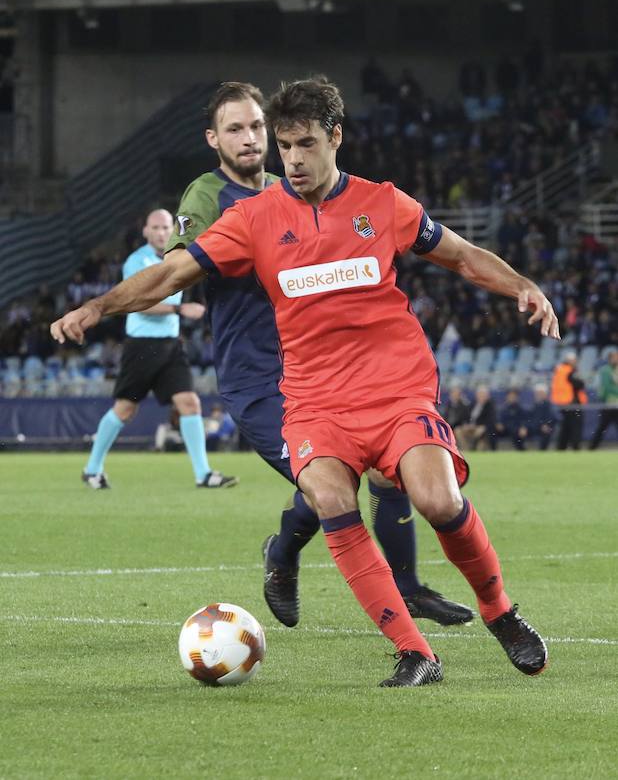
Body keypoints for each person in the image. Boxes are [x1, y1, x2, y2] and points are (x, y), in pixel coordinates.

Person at [51, 77, 560, 688]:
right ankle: (414, 652)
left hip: (396, 389)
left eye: (304, 143)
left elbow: (460, 254)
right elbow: (172, 273)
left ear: (335, 138)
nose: (291, 158)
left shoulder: (384, 203)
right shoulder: (253, 217)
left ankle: (499, 611)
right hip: (315, 399)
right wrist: (96, 308)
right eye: (285, 145)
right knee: (331, 499)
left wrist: (523, 286)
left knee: (437, 500)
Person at [163, 81, 472, 629]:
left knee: (384, 468)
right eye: (236, 129)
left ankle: (407, 586)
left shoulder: (296, 187)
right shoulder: (208, 198)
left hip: (321, 369)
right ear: (213, 139)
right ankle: (281, 556)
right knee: (327, 485)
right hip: (257, 375)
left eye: (258, 127)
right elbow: (176, 270)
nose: (252, 138)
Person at [80, 209, 237, 490]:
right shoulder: (136, 261)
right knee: (125, 410)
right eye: (156, 227)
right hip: (141, 345)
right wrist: (180, 308)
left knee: (190, 403)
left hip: (170, 345)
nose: (162, 232)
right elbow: (138, 302)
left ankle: (203, 474)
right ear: (145, 231)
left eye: (166, 227)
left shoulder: (176, 258)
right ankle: (92, 468)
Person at [551, 350, 587, 450]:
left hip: (563, 403)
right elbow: (579, 384)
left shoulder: (560, 369)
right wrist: (582, 381)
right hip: (572, 403)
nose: (576, 362)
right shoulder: (569, 370)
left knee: (565, 428)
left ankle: (561, 448)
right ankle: (575, 447)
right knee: (575, 428)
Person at [588, 349, 618, 449]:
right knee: (602, 427)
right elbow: (607, 387)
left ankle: (592, 447)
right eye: (615, 357)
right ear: (610, 359)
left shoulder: (615, 369)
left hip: (615, 404)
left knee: (602, 427)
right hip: (608, 404)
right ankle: (592, 447)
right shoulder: (605, 370)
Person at [456, 385, 498, 451]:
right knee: (458, 430)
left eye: (483, 395)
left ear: (487, 396)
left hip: (482, 428)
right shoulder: (472, 404)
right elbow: (465, 417)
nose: (481, 396)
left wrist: (483, 427)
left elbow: (491, 420)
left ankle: (476, 448)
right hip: (470, 427)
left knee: (480, 433)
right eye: (480, 394)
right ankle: (466, 449)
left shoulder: (490, 405)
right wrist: (466, 424)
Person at [527, 384, 555, 450]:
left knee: (546, 433)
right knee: (518, 432)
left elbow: (551, 417)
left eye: (541, 393)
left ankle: (542, 451)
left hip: (543, 427)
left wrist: (546, 424)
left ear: (545, 394)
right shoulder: (533, 406)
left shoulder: (549, 405)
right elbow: (528, 418)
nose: (539, 395)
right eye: (537, 393)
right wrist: (524, 426)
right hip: (533, 427)